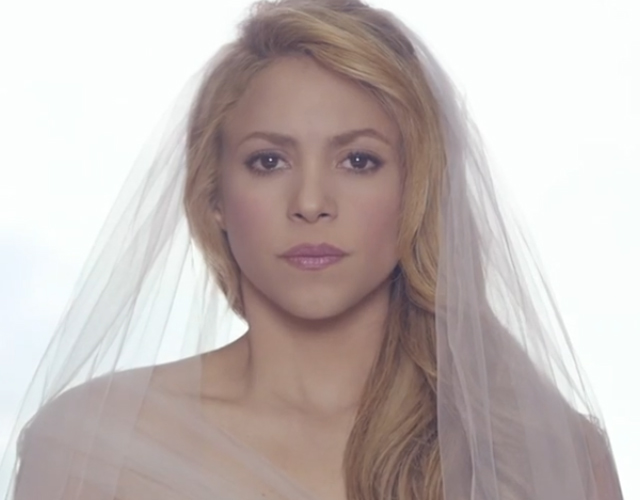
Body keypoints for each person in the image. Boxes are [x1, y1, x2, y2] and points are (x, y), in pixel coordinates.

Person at [0, 0, 624, 499]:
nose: (311, 202)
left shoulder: (543, 454)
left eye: (359, 160)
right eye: (268, 161)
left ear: (417, 189)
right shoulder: (92, 447)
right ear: (215, 197)